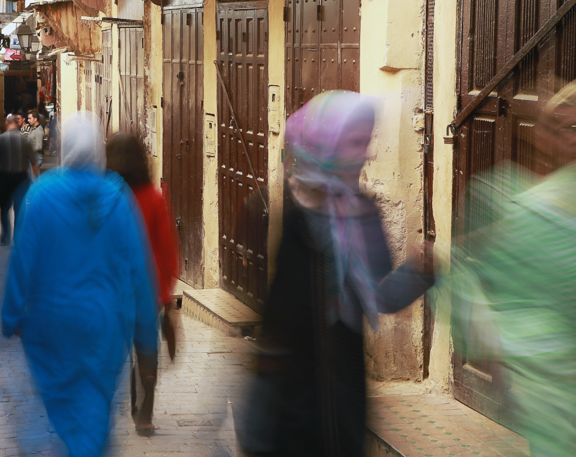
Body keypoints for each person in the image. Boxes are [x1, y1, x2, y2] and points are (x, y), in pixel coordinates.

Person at [243, 91, 434, 456]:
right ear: (327, 143)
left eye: (367, 141)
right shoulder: (286, 213)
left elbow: (380, 297)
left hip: (344, 397)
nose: (368, 153)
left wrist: (418, 272)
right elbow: (276, 321)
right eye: (357, 142)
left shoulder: (364, 215)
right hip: (291, 398)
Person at [2, 112, 159, 457]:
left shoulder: (41, 194)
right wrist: (147, 334)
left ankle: (76, 445)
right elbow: (138, 270)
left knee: (61, 398)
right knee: (96, 401)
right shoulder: (118, 198)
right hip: (106, 323)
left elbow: (23, 258)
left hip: (50, 321)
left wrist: (12, 314)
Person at [443, 80, 576, 456]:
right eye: (567, 129)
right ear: (545, 137)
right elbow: (476, 286)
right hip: (552, 394)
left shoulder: (522, 207)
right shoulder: (517, 207)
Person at [105, 133, 179, 436]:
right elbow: (167, 249)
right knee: (147, 349)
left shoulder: (105, 196)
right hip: (147, 289)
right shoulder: (153, 196)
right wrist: (166, 291)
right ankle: (144, 414)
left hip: (112, 289)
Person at [0, 115, 38, 245]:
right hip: (22, 178)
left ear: (7, 124)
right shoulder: (25, 140)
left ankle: (5, 236)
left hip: (5, 177)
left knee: (4, 208)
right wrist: (37, 179)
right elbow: (34, 163)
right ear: (17, 124)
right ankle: (18, 236)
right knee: (20, 207)